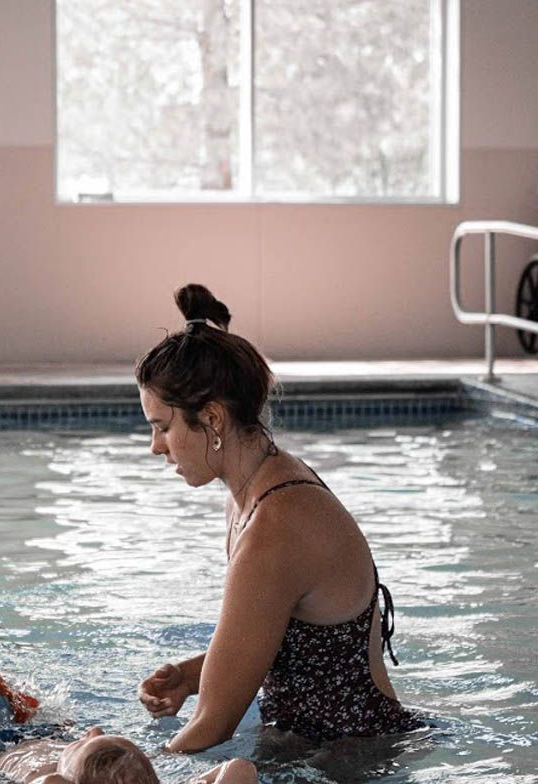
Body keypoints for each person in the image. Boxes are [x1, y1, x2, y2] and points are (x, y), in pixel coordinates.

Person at [135, 283, 425, 751]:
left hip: (353, 765)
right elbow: (287, 638)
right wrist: (193, 675)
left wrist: (135, 781)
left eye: (163, 427)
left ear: (212, 419)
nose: (155, 447)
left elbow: (212, 727)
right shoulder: (259, 490)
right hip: (317, 752)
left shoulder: (276, 526)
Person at [0, 625, 258, 784]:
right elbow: (240, 768)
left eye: (89, 743)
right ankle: (13, 695)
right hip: (47, 734)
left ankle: (8, 693)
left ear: (74, 783)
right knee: (19, 695)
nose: (94, 729)